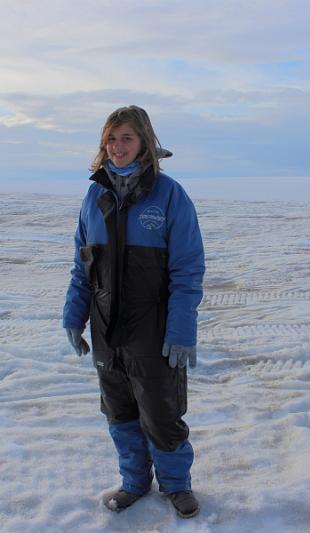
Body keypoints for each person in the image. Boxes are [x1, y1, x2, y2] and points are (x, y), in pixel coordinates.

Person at [62, 105, 205, 519]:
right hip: (107, 328)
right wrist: (74, 316)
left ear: (144, 142)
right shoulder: (95, 195)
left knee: (161, 413)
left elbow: (187, 269)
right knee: (120, 412)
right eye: (111, 138)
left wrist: (181, 329)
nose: (117, 146)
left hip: (154, 328)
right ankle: (135, 482)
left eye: (126, 137)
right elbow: (81, 266)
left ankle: (176, 485)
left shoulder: (169, 194)